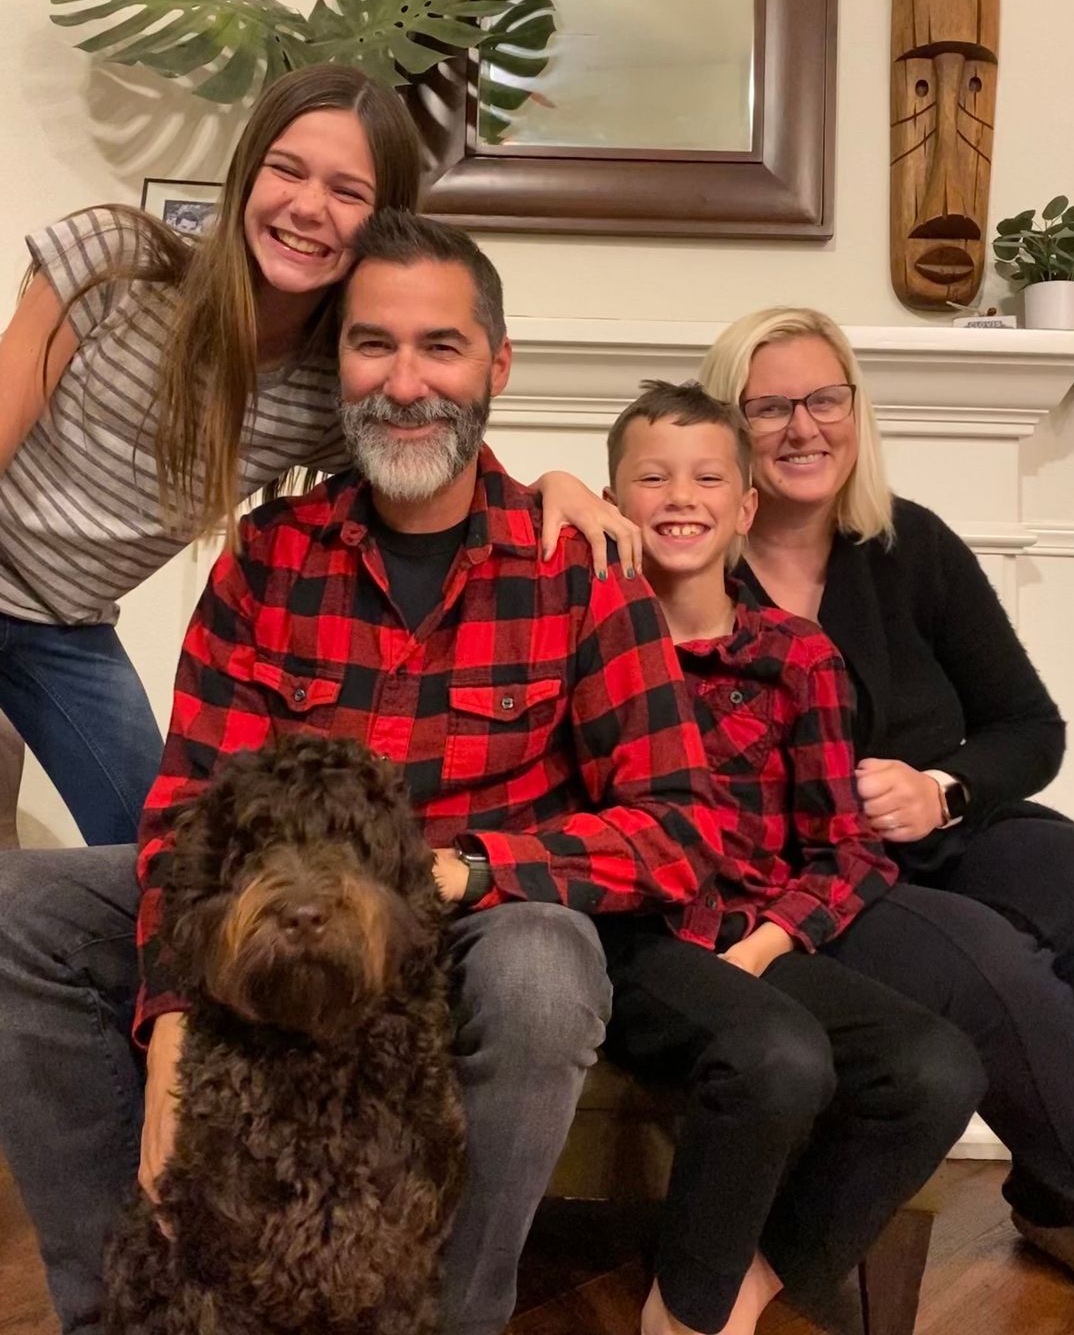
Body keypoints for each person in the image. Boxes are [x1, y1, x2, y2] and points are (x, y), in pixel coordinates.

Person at [0, 211, 726, 1335]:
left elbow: (679, 825)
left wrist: (479, 872)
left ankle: (449, 1320)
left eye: (440, 346)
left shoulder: (575, 567)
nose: (404, 381)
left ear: (497, 364)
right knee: (18, 904)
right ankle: (119, 1309)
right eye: (372, 344)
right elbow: (187, 811)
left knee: (545, 969)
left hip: (469, 914)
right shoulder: (269, 554)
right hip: (279, 891)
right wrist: (175, 1015)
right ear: (337, 361)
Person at [697, 305, 1074, 1328]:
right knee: (989, 962)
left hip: (948, 826)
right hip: (824, 872)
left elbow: (1030, 727)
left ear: (854, 409)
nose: (805, 427)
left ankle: (1065, 1204)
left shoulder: (908, 542)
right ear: (727, 426)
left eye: (824, 398)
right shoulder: (694, 564)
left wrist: (944, 790)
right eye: (771, 407)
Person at [0, 65, 637, 847]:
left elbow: (440, 449)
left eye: (347, 190)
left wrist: (554, 484)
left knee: (164, 851)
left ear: (383, 221)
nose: (308, 207)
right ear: (247, 175)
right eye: (287, 170)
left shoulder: (330, 384)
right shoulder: (117, 260)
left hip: (65, 629)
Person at [600, 380, 984, 1335]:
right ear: (613, 503)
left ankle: (759, 1272)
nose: (680, 497)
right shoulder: (585, 637)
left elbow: (849, 852)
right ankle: (685, 1315)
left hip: (755, 939)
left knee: (937, 1069)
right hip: (628, 940)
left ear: (746, 507)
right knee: (776, 1056)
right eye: (651, 478)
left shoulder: (797, 656)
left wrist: (767, 948)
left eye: (705, 478)